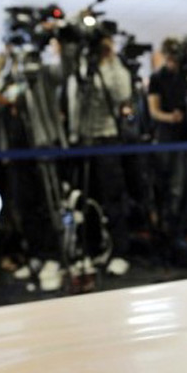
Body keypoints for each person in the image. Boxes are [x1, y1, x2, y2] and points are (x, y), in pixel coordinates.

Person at [73, 35, 133, 276]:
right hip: (83, 140)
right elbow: (74, 100)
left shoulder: (113, 68)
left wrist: (111, 58)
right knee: (87, 199)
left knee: (113, 198)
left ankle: (120, 252)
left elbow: (122, 94)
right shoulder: (81, 66)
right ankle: (92, 248)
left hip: (107, 138)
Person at [148, 38, 187, 241]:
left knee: (182, 185)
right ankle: (165, 227)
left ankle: (178, 226)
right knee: (168, 184)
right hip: (166, 136)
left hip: (185, 137)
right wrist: (170, 117)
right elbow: (154, 111)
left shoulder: (184, 76)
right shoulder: (157, 78)